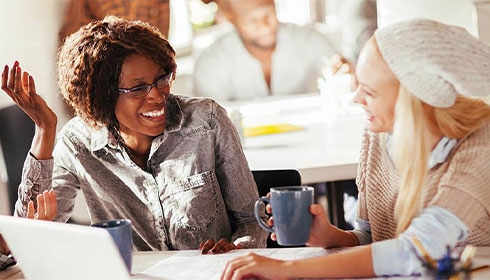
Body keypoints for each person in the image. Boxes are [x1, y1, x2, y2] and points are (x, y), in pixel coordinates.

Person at [221, 18, 490, 279]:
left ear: (413, 103)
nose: (356, 98)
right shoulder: (378, 134)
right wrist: (331, 236)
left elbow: (416, 251)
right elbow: (373, 238)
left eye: (370, 91)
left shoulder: (480, 147)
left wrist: (285, 269)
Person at [1, 16, 267, 254]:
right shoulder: (77, 143)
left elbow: (250, 221)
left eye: (161, 79)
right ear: (102, 97)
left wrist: (235, 250)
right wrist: (45, 130)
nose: (157, 96)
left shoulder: (207, 121)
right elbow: (23, 234)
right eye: (138, 89)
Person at [192, 0, 338, 102]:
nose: (265, 26)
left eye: (268, 14)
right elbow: (210, 123)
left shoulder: (309, 39)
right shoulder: (211, 63)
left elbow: (342, 73)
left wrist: (342, 74)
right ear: (232, 19)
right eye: (252, 20)